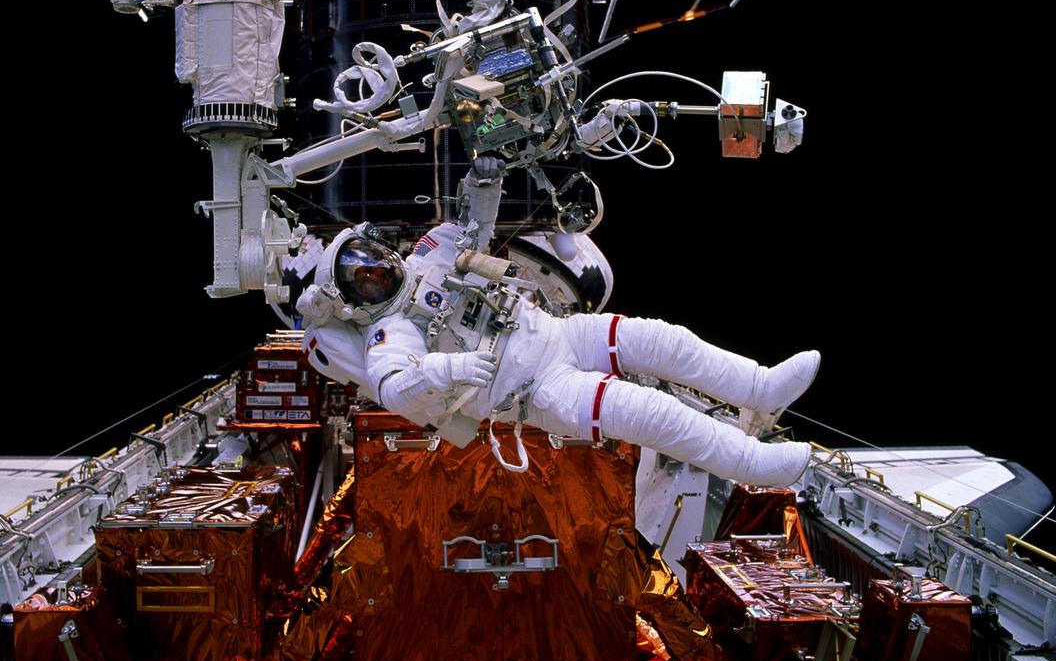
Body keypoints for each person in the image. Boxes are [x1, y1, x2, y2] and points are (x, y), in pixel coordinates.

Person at [297, 172, 818, 486]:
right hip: (538, 390)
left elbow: (476, 220)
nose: (376, 273)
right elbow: (395, 388)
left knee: (665, 340)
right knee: (652, 413)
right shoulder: (388, 334)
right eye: (362, 280)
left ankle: (760, 387)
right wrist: (449, 367)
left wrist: (486, 170)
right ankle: (753, 463)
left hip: (558, 334)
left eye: (370, 260)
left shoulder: (430, 253)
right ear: (352, 305)